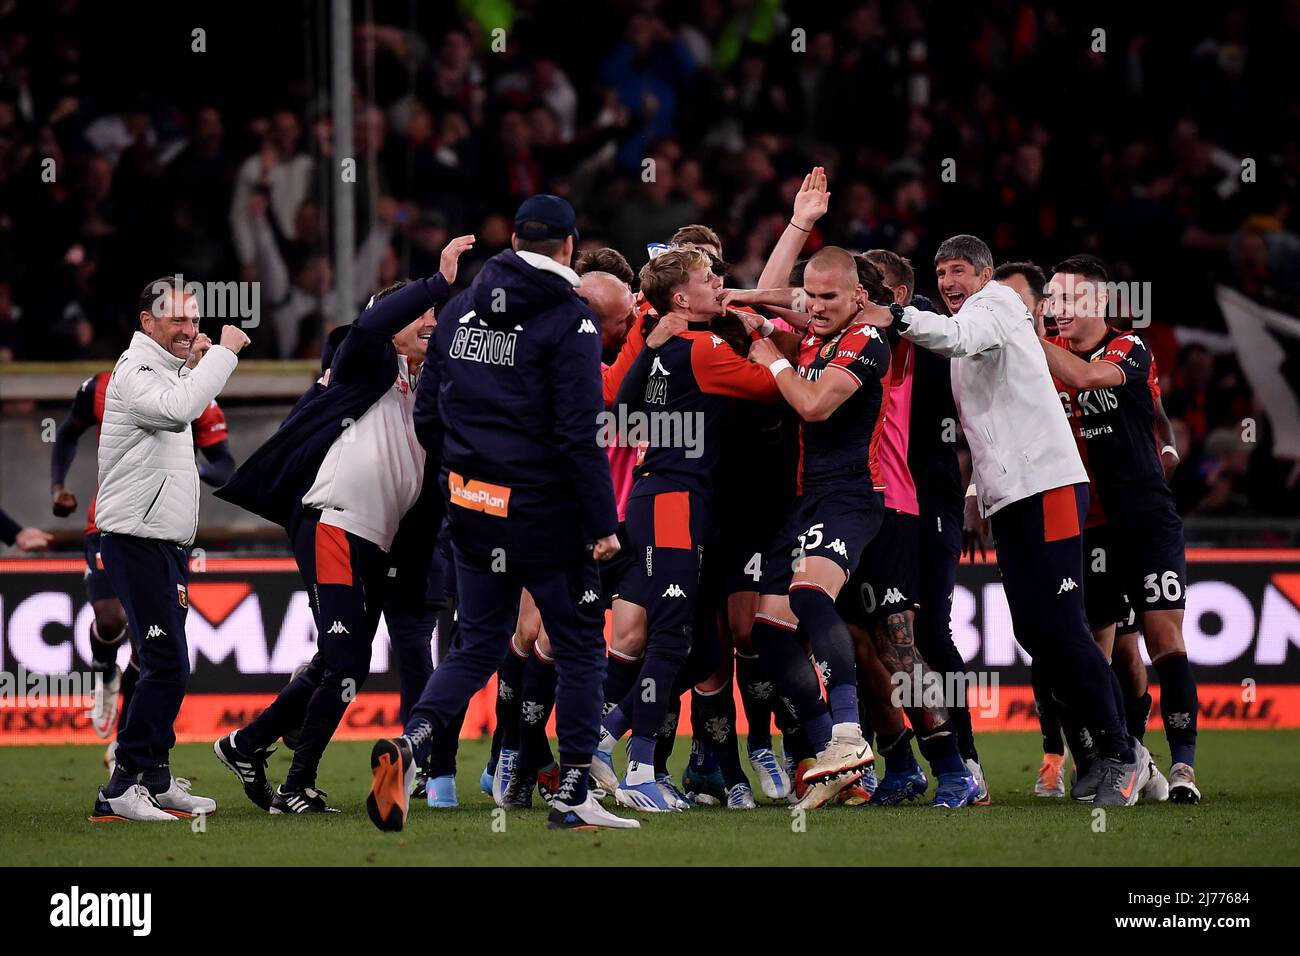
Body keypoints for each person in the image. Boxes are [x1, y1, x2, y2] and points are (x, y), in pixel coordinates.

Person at [366, 195, 638, 832]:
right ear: (569, 247)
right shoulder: (570, 321)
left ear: (514, 237)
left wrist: (463, 466)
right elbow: (579, 434)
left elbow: (429, 410)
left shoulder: (462, 307)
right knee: (577, 648)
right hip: (545, 516)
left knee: (474, 646)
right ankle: (574, 795)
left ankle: (412, 745)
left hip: (471, 505)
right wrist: (602, 524)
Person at [859, 234, 1154, 807]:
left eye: (959, 271)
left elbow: (955, 336)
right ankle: (1097, 752)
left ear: (986, 273)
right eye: (941, 273)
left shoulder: (995, 305)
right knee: (1035, 631)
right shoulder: (968, 325)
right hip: (1009, 495)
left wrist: (894, 314)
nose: (948, 282)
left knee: (1064, 625)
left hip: (1046, 484)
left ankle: (1122, 754)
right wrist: (975, 493)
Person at [213, 236, 471, 813]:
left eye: (435, 315)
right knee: (349, 659)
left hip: (378, 542)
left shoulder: (426, 390)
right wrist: (437, 282)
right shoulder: (366, 364)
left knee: (339, 661)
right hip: (332, 522)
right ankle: (286, 772)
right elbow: (374, 325)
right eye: (421, 315)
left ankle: (251, 746)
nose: (432, 321)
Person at [591, 247, 782, 813]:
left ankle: (604, 735)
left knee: (693, 649)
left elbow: (621, 417)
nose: (718, 282)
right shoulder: (704, 349)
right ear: (681, 298)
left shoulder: (660, 345)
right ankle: (641, 768)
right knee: (673, 639)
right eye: (707, 278)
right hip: (674, 500)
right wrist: (768, 343)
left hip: (663, 498)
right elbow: (775, 391)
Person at [1041, 253, 1199, 803]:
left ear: (1101, 303)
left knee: (1162, 639)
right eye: (1052, 298)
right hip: (1091, 525)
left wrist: (1168, 445)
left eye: (1070, 298)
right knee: (1091, 650)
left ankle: (1183, 769)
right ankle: (1126, 756)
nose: (1057, 308)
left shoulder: (1128, 347)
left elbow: (1087, 379)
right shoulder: (1050, 352)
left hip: (1146, 518)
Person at [90, 277, 249, 822]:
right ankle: (122, 786)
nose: (189, 329)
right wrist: (221, 356)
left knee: (169, 664)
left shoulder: (162, 371)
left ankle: (153, 778)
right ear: (147, 323)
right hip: (135, 539)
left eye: (194, 319)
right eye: (176, 320)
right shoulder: (133, 372)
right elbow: (178, 410)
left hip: (163, 542)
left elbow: (180, 396)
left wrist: (194, 363)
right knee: (166, 664)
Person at [743, 246, 893, 811]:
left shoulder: (866, 340)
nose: (819, 306)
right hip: (805, 499)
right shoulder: (817, 333)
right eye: (814, 296)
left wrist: (771, 358)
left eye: (832, 297)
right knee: (768, 628)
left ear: (859, 297)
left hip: (852, 493)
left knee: (809, 595)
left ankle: (852, 738)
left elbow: (811, 406)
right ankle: (832, 746)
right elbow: (783, 301)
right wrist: (746, 302)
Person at [49, 362, 235, 762]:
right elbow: (67, 431)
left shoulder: (198, 395)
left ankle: (124, 742)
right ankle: (103, 672)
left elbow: (225, 466)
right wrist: (58, 486)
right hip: (109, 521)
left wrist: (191, 464)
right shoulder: (108, 385)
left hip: (165, 529)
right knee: (112, 619)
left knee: (149, 642)